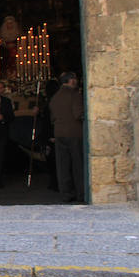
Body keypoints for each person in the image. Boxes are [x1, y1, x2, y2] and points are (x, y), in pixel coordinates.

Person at [49, 71, 84, 202]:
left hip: (59, 133)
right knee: (77, 165)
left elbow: (52, 117)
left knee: (62, 165)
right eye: (75, 79)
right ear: (71, 81)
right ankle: (81, 193)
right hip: (74, 133)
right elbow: (78, 114)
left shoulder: (55, 97)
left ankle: (66, 194)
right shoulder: (74, 95)